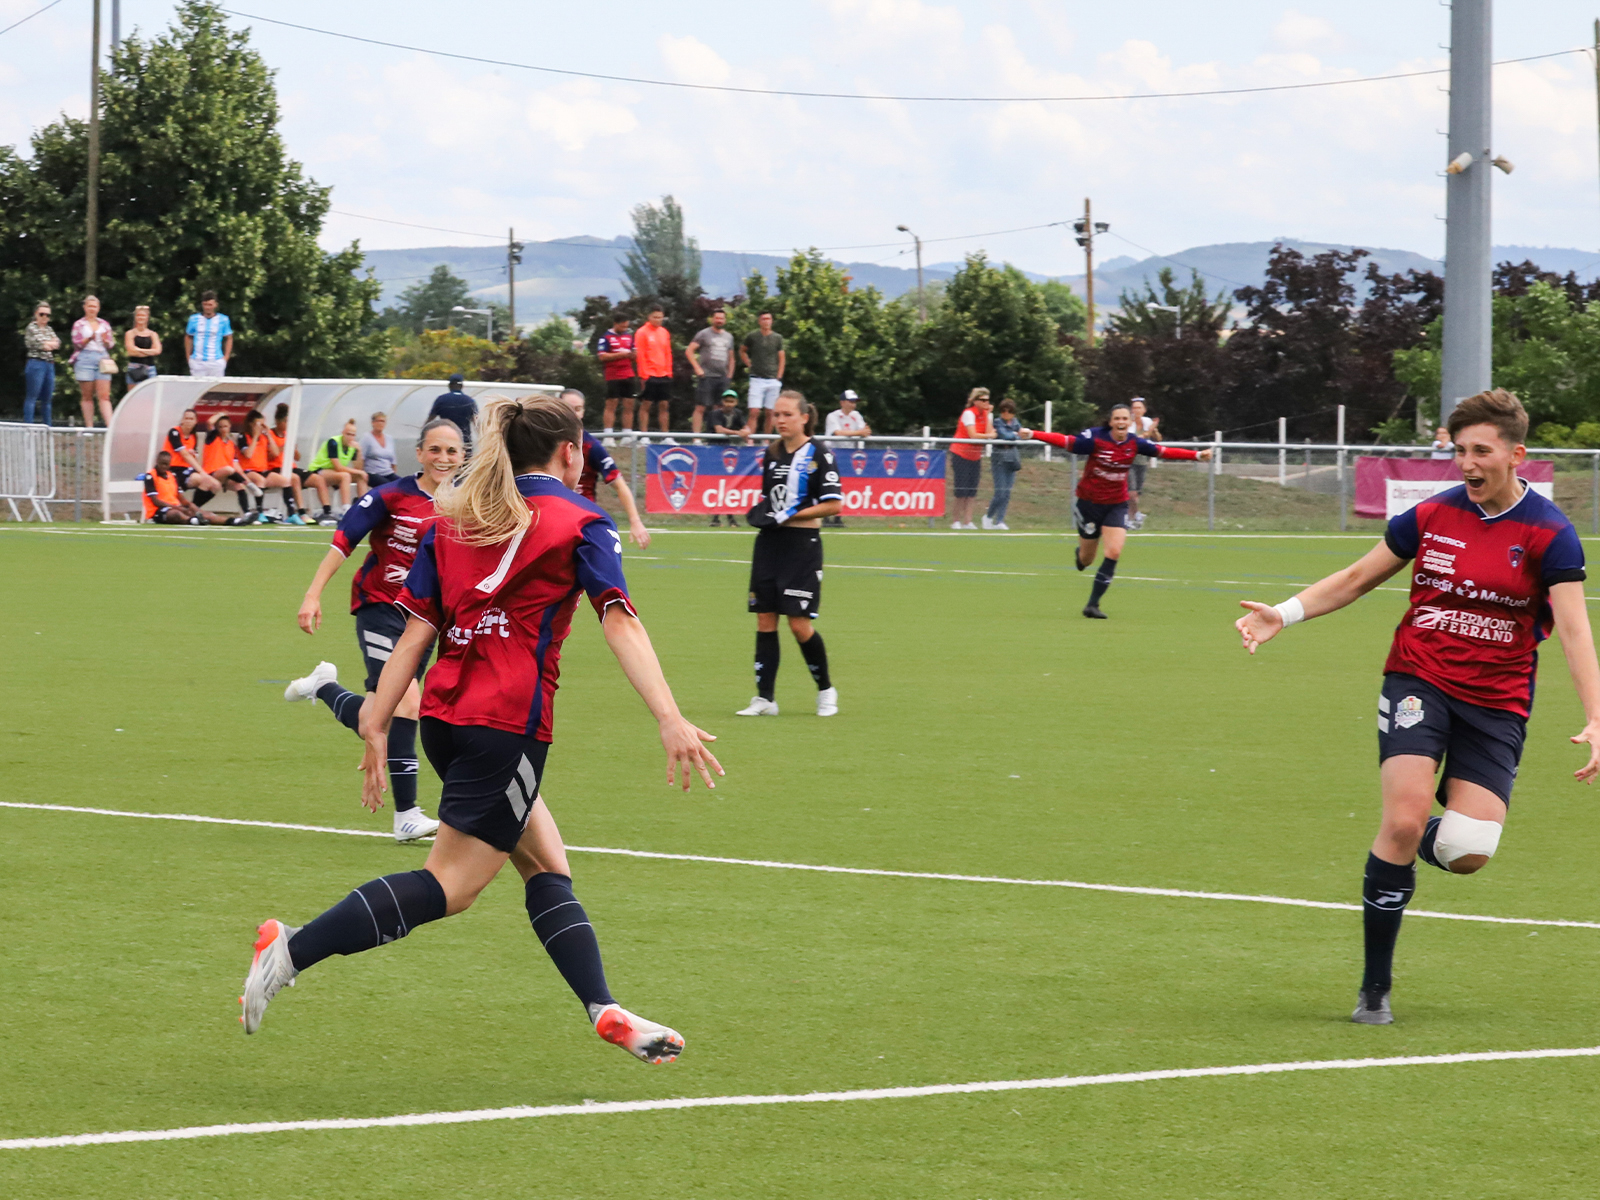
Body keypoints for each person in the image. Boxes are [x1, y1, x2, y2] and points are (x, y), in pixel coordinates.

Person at [241, 395, 722, 1069]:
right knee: (452, 886)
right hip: (507, 726)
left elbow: (416, 632)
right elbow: (619, 618)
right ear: (566, 454)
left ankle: (604, 1008)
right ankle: (290, 950)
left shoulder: (454, 522)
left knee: (546, 864)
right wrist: (670, 717)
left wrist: (376, 723)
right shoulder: (583, 520)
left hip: (445, 718)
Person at [1233, 389, 1600, 1026]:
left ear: (1516, 454)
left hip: (1498, 703)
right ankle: (1375, 987)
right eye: (1460, 451)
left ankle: (1422, 843)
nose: (1467, 463)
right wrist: (1283, 614)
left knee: (1466, 851)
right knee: (1401, 821)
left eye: (1480, 451)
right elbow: (1354, 579)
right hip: (1418, 681)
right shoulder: (1433, 515)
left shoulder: (1550, 534)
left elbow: (1573, 631)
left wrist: (1597, 716)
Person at [284, 419, 468, 842]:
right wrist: (313, 595)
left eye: (452, 452)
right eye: (435, 450)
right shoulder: (391, 495)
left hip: (424, 619)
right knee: (405, 700)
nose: (443, 458)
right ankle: (406, 815)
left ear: (462, 458)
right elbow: (342, 542)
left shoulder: (466, 505)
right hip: (380, 609)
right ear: (419, 454)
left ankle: (324, 688)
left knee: (378, 713)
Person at [1023, 402, 1210, 618]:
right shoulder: (1095, 438)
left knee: (1114, 552)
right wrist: (1033, 434)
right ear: (1110, 422)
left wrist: (1196, 456)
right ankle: (1080, 555)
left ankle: (1092, 605)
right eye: (1117, 419)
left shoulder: (1134, 443)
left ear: (1130, 423)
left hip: (1116, 504)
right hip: (1089, 503)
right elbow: (1066, 441)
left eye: (1125, 419)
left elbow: (1163, 452)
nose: (1121, 422)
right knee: (1086, 560)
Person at [736, 390, 843, 719]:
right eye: (776, 415)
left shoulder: (819, 453)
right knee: (765, 618)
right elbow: (771, 500)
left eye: (787, 415)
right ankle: (765, 698)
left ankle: (826, 690)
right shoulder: (772, 453)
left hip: (802, 546)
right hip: (770, 544)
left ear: (804, 418)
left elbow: (834, 504)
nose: (780, 420)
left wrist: (788, 516)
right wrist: (769, 515)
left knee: (799, 624)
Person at [560, 388, 651, 549]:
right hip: (553, 513)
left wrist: (635, 522)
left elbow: (620, 485)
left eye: (578, 409)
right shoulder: (545, 441)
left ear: (583, 412)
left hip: (581, 519)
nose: (573, 413)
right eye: (568, 408)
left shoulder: (592, 447)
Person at [141, 450, 255, 525]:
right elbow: (155, 501)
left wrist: (193, 508)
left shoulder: (172, 476)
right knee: (175, 514)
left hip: (176, 507)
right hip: (159, 511)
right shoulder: (150, 476)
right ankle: (194, 520)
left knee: (205, 514)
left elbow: (181, 498)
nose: (164, 467)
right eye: (162, 464)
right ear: (157, 462)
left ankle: (234, 521)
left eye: (167, 464)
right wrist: (178, 508)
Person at [237, 409, 296, 521]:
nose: (260, 427)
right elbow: (248, 454)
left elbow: (275, 452)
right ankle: (259, 512)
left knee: (285, 481)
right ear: (251, 424)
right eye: (258, 424)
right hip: (248, 471)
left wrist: (268, 435)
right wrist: (255, 437)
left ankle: (292, 513)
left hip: (263, 470)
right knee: (260, 480)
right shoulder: (243, 437)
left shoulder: (264, 438)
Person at [949, 388, 995, 529]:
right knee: (961, 490)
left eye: (987, 400)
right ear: (975, 401)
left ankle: (968, 521)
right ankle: (955, 521)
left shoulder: (986, 415)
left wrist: (988, 415)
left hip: (975, 456)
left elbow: (990, 432)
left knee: (972, 490)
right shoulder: (969, 413)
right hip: (961, 454)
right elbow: (973, 434)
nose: (986, 403)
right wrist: (988, 435)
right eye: (982, 400)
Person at [707, 388, 752, 528]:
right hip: (714, 451)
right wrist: (738, 433)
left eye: (731, 401)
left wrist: (745, 433)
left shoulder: (738, 414)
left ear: (736, 402)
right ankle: (715, 518)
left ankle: (730, 518)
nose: (728, 404)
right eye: (726, 401)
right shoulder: (715, 414)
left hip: (728, 452)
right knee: (717, 485)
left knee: (729, 485)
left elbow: (746, 429)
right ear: (722, 401)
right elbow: (719, 429)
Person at [71, 295, 117, 428]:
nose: (92, 309)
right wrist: (89, 338)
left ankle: (110, 427)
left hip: (102, 358)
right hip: (85, 358)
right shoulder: (79, 324)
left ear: (98, 308)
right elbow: (76, 343)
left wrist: (105, 341)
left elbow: (111, 344)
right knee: (87, 395)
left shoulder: (104, 324)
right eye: (89, 306)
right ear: (85, 307)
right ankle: (89, 427)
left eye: (94, 306)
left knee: (104, 396)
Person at [687, 309, 734, 436]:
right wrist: (697, 368)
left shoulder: (729, 336)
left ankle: (716, 437)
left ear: (725, 320)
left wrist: (729, 375)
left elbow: (731, 357)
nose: (719, 320)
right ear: (712, 319)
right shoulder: (703, 334)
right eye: (717, 318)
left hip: (722, 377)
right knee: (700, 407)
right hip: (706, 376)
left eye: (722, 318)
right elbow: (689, 351)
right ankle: (696, 438)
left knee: (719, 409)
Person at [200, 414, 258, 514]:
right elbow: (210, 422)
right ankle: (249, 485)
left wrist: (244, 478)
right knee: (228, 469)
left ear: (230, 426)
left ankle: (247, 513)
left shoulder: (231, 444)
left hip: (226, 476)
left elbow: (236, 465)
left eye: (225, 426)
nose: (223, 429)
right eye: (220, 426)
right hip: (212, 473)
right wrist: (222, 413)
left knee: (239, 485)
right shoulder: (212, 438)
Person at [740, 311, 786, 434]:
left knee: (770, 412)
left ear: (772, 321)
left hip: (772, 379)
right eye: (763, 319)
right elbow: (742, 350)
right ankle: (749, 439)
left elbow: (781, 357)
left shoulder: (777, 338)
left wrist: (779, 376)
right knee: (754, 411)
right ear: (759, 321)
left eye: (768, 319)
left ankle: (766, 440)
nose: (766, 321)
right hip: (757, 378)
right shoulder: (752, 336)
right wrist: (749, 364)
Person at [596, 312, 638, 443]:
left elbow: (634, 353)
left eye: (627, 326)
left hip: (628, 374)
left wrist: (632, 355)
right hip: (613, 374)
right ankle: (608, 435)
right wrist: (621, 355)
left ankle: (627, 435)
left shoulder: (629, 336)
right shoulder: (606, 338)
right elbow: (602, 357)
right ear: (616, 324)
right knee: (611, 404)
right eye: (622, 326)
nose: (625, 329)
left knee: (629, 404)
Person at [309, 418, 367, 511]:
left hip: (335, 473)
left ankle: (363, 508)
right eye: (348, 434)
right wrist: (359, 471)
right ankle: (346, 508)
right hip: (319, 470)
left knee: (361, 477)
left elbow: (358, 467)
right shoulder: (333, 442)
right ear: (343, 433)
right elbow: (338, 467)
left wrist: (359, 451)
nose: (350, 437)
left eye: (353, 435)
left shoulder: (353, 446)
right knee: (345, 476)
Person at [983, 398, 1022, 531]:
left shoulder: (1016, 422)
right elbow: (1004, 435)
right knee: (1000, 491)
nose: (1006, 414)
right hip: (999, 459)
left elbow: (1021, 435)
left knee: (1007, 492)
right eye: (1003, 411)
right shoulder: (998, 422)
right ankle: (988, 516)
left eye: (1009, 411)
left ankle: (1000, 520)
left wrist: (1015, 435)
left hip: (1012, 458)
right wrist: (1014, 435)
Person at [634, 307, 674, 437]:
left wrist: (669, 371)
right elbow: (640, 354)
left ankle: (665, 435)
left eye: (660, 317)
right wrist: (643, 375)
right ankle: (644, 435)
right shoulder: (642, 332)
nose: (658, 320)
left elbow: (667, 352)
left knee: (664, 404)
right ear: (649, 317)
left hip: (664, 374)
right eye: (655, 317)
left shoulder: (664, 332)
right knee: (647, 404)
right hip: (649, 373)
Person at [22, 302, 59, 425]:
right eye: (42, 314)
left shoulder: (49, 329)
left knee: (47, 398)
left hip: (49, 364)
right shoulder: (31, 327)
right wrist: (47, 344)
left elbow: (57, 343)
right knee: (32, 396)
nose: (44, 317)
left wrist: (48, 344)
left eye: (47, 315)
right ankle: (29, 426)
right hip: (36, 363)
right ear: (36, 314)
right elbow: (39, 344)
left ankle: (48, 427)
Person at [1126, 398, 1160, 530]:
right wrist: (1148, 432)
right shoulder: (1128, 424)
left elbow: (1158, 439)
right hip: (1129, 460)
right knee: (1131, 492)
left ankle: (1130, 519)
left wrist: (1154, 430)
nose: (1136, 410)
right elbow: (1133, 440)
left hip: (1142, 460)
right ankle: (1137, 515)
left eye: (1139, 408)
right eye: (1134, 408)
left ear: (1144, 410)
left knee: (1136, 493)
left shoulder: (1147, 422)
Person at [185, 291, 232, 378]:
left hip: (216, 361)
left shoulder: (223, 319)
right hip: (197, 361)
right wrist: (189, 357)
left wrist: (225, 358)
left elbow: (229, 338)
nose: (207, 307)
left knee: (215, 389)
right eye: (205, 305)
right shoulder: (194, 319)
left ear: (215, 305)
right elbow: (188, 336)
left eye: (210, 305)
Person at [427, 375, 478, 449]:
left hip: (445, 438)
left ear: (450, 385)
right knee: (464, 459)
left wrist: (423, 434)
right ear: (462, 386)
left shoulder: (441, 399)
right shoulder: (469, 401)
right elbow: (476, 422)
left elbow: (430, 419)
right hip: (464, 440)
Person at [123, 306, 162, 387]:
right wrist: (150, 351)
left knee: (150, 396)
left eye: (143, 315)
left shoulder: (153, 334)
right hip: (134, 368)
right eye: (138, 315)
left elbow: (157, 350)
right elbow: (131, 351)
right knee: (133, 395)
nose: (141, 317)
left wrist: (138, 350)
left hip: (150, 368)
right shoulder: (130, 333)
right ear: (135, 317)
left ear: (147, 317)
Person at [361, 412, 400, 487]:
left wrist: (394, 472)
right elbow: (360, 458)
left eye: (383, 421)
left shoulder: (389, 439)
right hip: (373, 473)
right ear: (373, 423)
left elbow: (393, 460)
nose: (380, 423)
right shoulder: (367, 438)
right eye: (378, 421)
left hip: (388, 472)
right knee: (388, 487)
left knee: (405, 485)